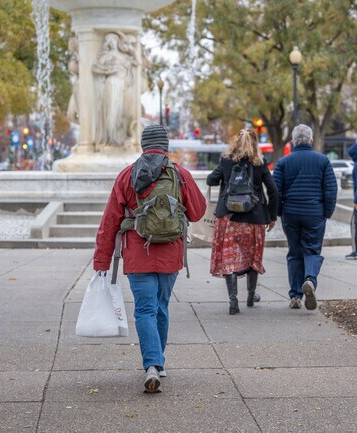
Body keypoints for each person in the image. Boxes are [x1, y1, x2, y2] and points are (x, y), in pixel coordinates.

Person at [93, 125, 206, 393]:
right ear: (165, 145)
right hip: (170, 252)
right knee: (161, 307)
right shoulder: (179, 173)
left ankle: (151, 365)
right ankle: (159, 363)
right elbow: (199, 211)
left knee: (144, 309)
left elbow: (110, 221)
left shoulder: (127, 175)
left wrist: (101, 262)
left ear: (143, 145)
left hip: (137, 253)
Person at [207, 129, 278, 315]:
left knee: (230, 258)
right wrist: (272, 216)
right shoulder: (259, 163)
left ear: (235, 143)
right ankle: (251, 295)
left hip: (229, 217)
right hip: (255, 218)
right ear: (255, 144)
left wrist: (225, 176)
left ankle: (233, 301)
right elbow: (274, 191)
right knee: (252, 257)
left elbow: (210, 180)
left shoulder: (226, 161)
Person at [273, 124, 338, 310]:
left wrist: (279, 212)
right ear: (311, 140)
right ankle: (310, 279)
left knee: (294, 252)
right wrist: (326, 212)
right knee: (312, 250)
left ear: (293, 141)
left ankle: (295, 296)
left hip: (291, 213)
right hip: (314, 213)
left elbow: (276, 191)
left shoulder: (283, 162)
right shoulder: (323, 161)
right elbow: (331, 190)